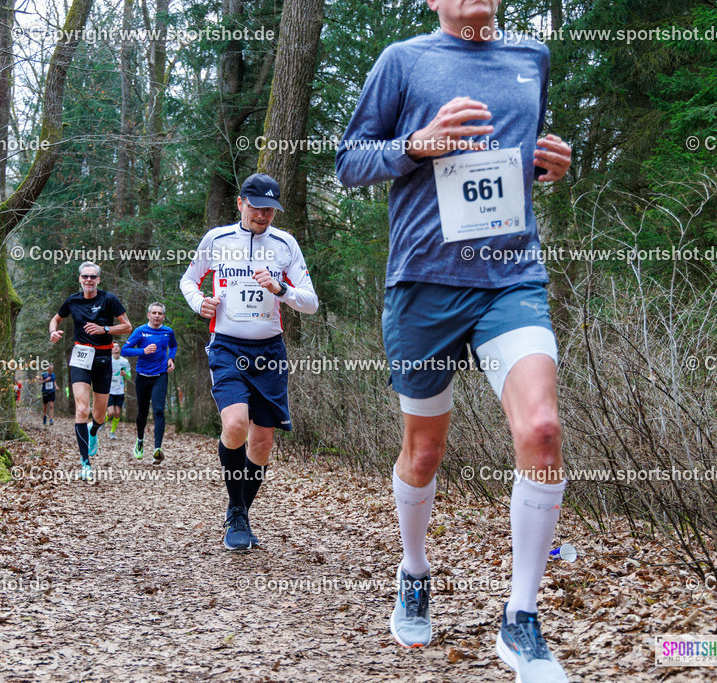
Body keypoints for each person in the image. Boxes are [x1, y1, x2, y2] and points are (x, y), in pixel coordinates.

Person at [336, 0, 573, 680]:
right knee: (424, 448)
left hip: (511, 277)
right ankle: (414, 571)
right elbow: (349, 163)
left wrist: (543, 166)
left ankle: (521, 618)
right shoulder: (403, 61)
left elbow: (512, 164)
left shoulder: (531, 57)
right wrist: (418, 143)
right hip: (423, 283)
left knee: (543, 429)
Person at [180, 173, 319, 550]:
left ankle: (238, 510)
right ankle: (237, 514)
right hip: (226, 345)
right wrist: (199, 303)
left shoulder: (285, 244)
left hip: (270, 352)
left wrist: (281, 289)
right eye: (257, 207)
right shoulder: (217, 239)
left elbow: (310, 301)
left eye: (271, 209)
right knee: (237, 424)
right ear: (240, 203)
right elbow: (189, 280)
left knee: (261, 443)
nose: (263, 215)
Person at [49, 262, 132, 480]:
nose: (88, 280)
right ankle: (85, 463)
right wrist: (53, 332)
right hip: (80, 357)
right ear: (79, 279)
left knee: (99, 414)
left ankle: (93, 431)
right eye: (85, 276)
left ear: (98, 280)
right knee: (82, 408)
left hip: (103, 358)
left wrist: (104, 329)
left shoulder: (109, 299)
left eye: (92, 277)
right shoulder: (72, 300)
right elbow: (56, 319)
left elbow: (127, 326)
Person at [120, 303, 177, 463]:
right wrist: (142, 351)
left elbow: (173, 345)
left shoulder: (168, 331)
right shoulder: (140, 331)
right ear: (148, 315)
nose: (157, 315)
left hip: (160, 375)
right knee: (143, 413)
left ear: (163, 316)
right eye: (154, 313)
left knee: (159, 410)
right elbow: (125, 350)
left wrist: (171, 358)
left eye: (160, 313)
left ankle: (157, 449)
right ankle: (140, 442)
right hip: (143, 376)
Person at [106, 342, 130, 439]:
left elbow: (129, 376)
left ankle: (112, 432)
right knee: (110, 412)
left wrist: (125, 374)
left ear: (119, 349)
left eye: (117, 346)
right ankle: (101, 421)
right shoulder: (108, 360)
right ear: (111, 349)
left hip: (120, 390)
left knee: (117, 413)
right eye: (114, 346)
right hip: (109, 390)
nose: (116, 348)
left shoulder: (124, 361)